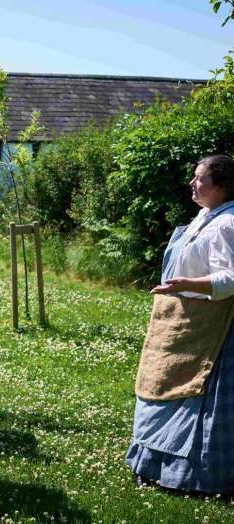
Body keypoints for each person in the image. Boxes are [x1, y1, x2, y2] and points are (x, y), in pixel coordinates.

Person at [126, 154, 234, 494]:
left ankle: (194, 476)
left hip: (210, 331)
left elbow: (230, 278)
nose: (192, 183)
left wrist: (186, 284)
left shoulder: (228, 224)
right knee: (161, 387)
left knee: (193, 397)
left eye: (199, 178)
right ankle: (152, 463)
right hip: (179, 325)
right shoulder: (206, 216)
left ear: (220, 187)